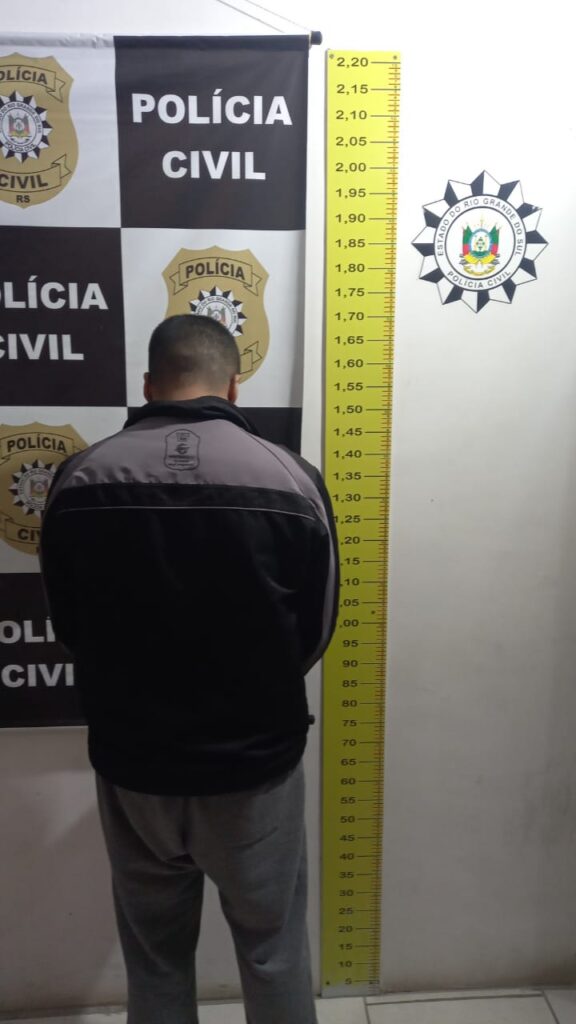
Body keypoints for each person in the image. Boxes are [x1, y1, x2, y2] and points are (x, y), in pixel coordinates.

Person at [40, 314, 339, 1024]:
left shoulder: (79, 479)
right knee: (273, 953)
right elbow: (315, 631)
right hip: (255, 770)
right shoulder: (292, 480)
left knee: (156, 959)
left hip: (134, 767)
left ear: (149, 384)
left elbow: (70, 627)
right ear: (233, 386)